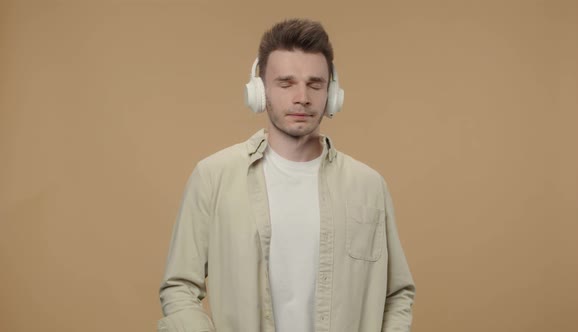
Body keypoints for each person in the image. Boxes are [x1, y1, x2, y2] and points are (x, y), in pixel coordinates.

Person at [158, 18, 415, 332]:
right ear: (259, 90)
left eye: (315, 84)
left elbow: (397, 293)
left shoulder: (369, 186)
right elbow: (179, 286)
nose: (302, 97)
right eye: (286, 83)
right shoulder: (213, 177)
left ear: (332, 93)